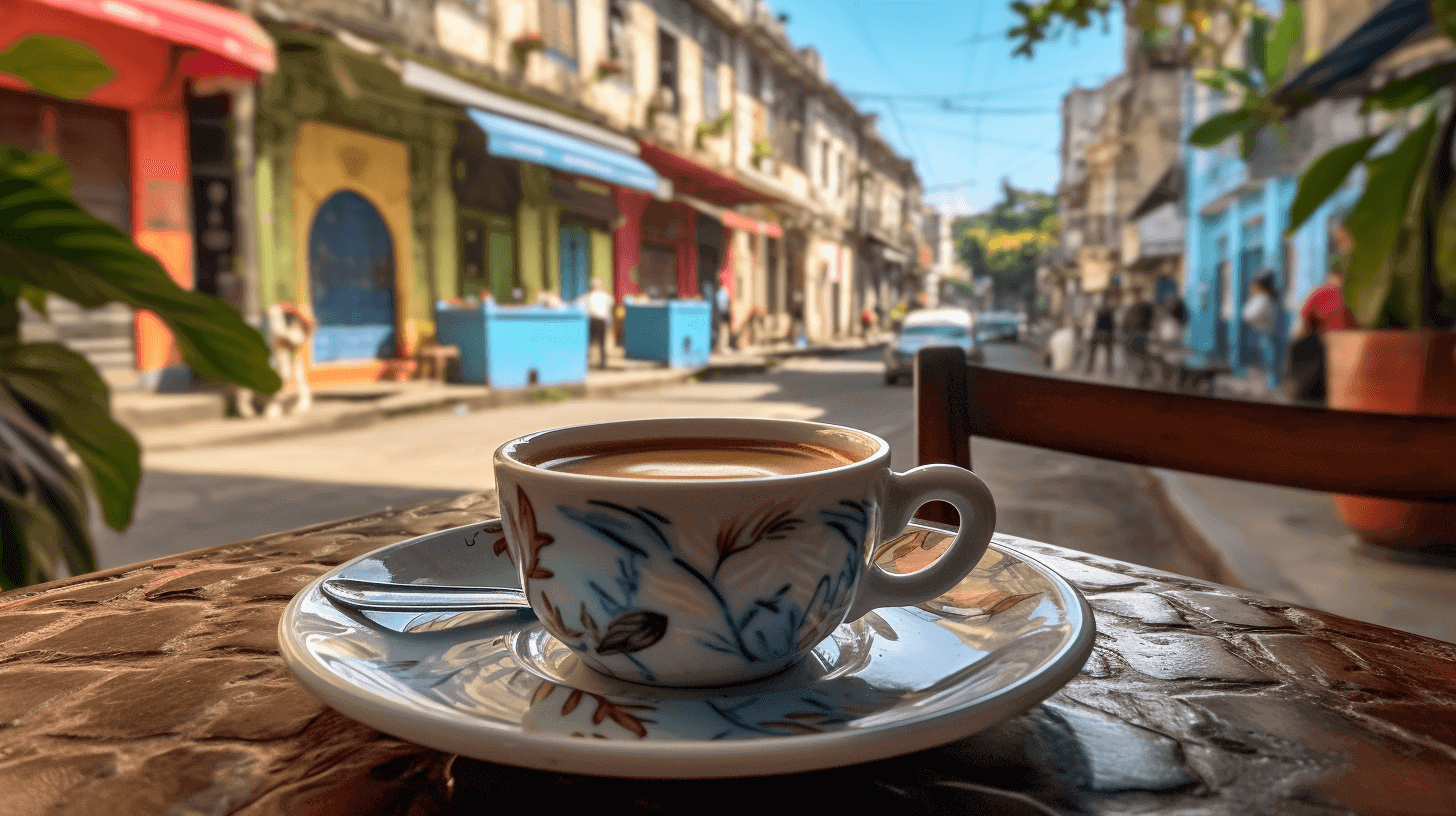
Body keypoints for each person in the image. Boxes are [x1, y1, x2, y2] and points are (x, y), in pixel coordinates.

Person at [1242, 271, 1281, 391]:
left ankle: (1269, 387)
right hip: (1266, 335)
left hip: (1265, 335)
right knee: (1268, 362)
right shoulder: (1268, 299)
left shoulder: (1262, 299)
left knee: (1266, 363)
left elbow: (1247, 314)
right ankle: (1269, 385)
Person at [1122, 288, 1156, 384]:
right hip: (1141, 336)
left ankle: (1142, 376)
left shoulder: (1136, 307)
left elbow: (1126, 323)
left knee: (1137, 358)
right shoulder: (1146, 306)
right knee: (1142, 358)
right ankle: (1143, 375)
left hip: (1136, 336)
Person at [578, 277, 613, 370]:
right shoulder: (604, 296)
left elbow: (579, 303)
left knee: (591, 342)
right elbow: (609, 307)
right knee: (599, 343)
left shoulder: (589, 296)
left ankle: (587, 362)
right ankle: (600, 363)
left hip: (594, 320)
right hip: (599, 320)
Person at [1085, 291, 1119, 376]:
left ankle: (1090, 367)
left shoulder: (1099, 309)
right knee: (1109, 353)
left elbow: (1096, 323)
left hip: (1099, 332)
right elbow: (1113, 324)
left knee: (1093, 352)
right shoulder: (1111, 309)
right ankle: (1109, 369)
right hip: (1107, 333)